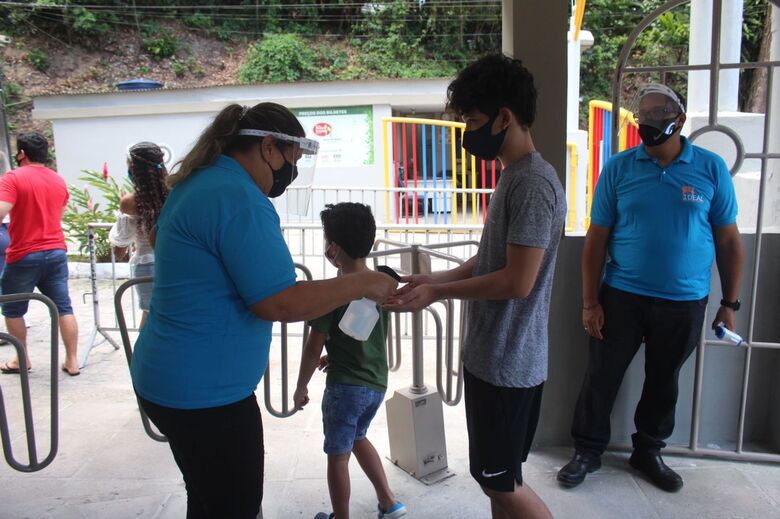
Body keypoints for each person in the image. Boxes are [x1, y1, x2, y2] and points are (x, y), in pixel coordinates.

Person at [130, 103, 398, 519]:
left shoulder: (202, 183)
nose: (289, 175)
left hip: (174, 381)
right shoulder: (238, 198)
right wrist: (362, 282)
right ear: (269, 148)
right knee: (233, 506)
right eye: (291, 161)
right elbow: (280, 301)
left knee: (207, 497)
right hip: (205, 397)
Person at [386, 54, 566, 519]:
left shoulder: (532, 184)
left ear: (504, 117)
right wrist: (436, 278)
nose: (468, 130)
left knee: (501, 484)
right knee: (500, 482)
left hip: (510, 364)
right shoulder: (514, 177)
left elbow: (517, 281)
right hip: (495, 358)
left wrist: (439, 294)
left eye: (472, 119)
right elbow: (492, 260)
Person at [557, 83, 744, 492]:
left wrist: (729, 303)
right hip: (621, 296)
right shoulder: (620, 168)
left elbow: (729, 241)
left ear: (678, 120)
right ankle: (587, 450)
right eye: (645, 113)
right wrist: (590, 302)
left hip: (685, 301)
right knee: (601, 376)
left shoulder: (710, 168)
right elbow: (596, 239)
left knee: (664, 380)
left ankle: (648, 451)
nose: (650, 121)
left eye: (660, 113)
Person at [293, 202, 407, 519]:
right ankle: (388, 501)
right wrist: (338, 352)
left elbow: (312, 346)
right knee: (358, 437)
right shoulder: (381, 284)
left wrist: (300, 386)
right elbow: (365, 331)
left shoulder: (332, 292)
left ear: (333, 248)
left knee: (337, 456)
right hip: (375, 384)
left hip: (344, 389)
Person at [0, 132, 80, 376]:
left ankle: (21, 358)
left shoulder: (12, 178)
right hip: (56, 251)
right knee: (63, 306)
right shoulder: (57, 180)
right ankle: (72, 361)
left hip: (24, 253)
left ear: (22, 154)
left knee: (12, 309)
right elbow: (60, 213)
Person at [109, 142, 169, 329]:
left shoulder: (130, 202)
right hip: (174, 262)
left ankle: (143, 357)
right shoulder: (176, 194)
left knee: (149, 317)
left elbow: (120, 248)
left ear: (135, 170)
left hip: (146, 265)